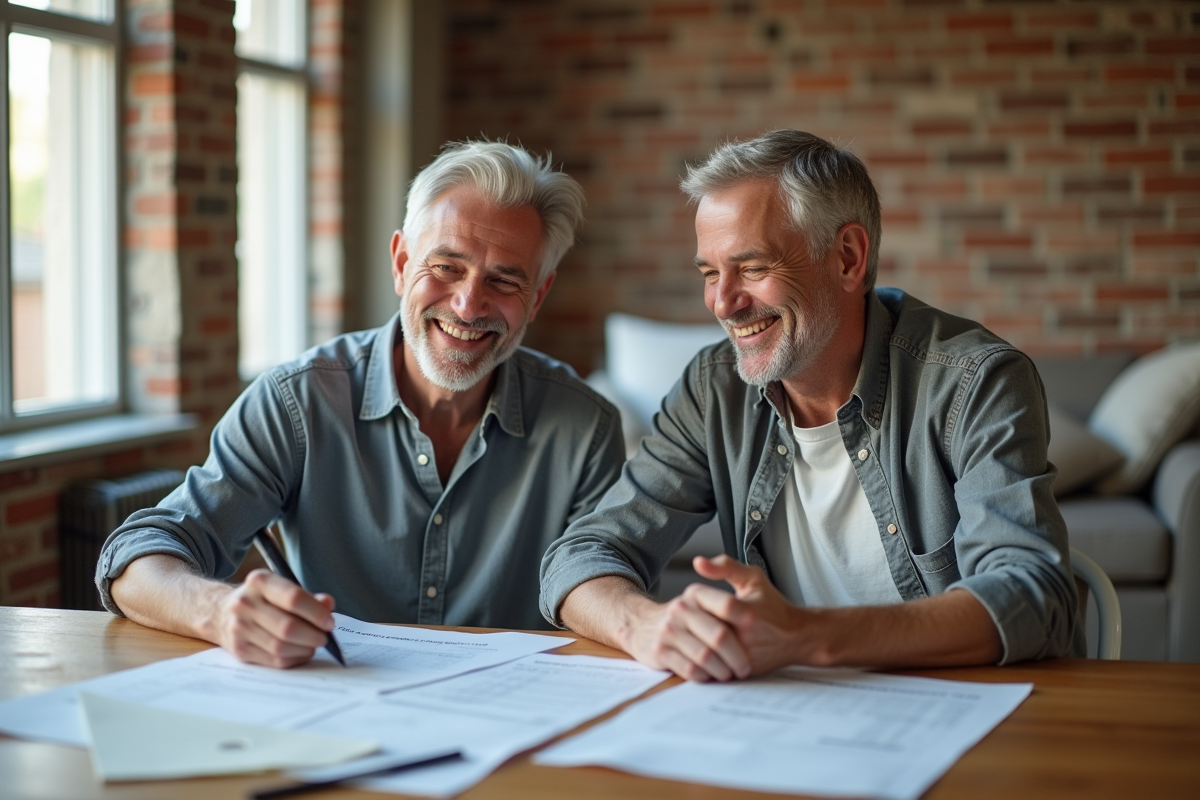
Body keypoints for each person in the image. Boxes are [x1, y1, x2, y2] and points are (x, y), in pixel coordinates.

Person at [540, 129, 1082, 681]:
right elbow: (581, 554)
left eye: (752, 267)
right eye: (709, 272)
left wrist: (803, 635)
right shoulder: (713, 389)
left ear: (847, 258)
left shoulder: (976, 381)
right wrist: (644, 626)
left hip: (963, 712)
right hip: (792, 715)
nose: (723, 302)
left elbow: (1036, 598)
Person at [99, 141, 625, 668]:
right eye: (445, 267)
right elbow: (138, 554)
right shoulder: (298, 401)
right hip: (333, 707)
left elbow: (598, 578)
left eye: (505, 280)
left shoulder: (585, 427)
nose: (468, 304)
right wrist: (219, 609)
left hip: (511, 717)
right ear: (401, 263)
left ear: (538, 296)